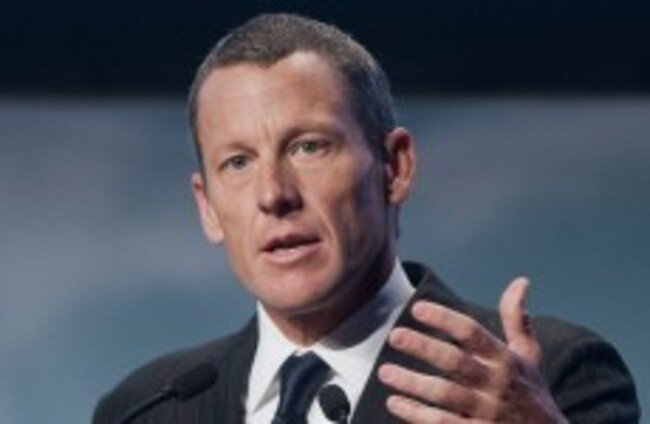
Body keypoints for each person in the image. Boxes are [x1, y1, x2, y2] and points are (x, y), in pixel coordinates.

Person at [93, 13, 639, 424]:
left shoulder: (544, 378)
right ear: (208, 207)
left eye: (309, 147)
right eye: (237, 162)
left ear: (394, 168)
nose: (274, 194)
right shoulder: (147, 407)